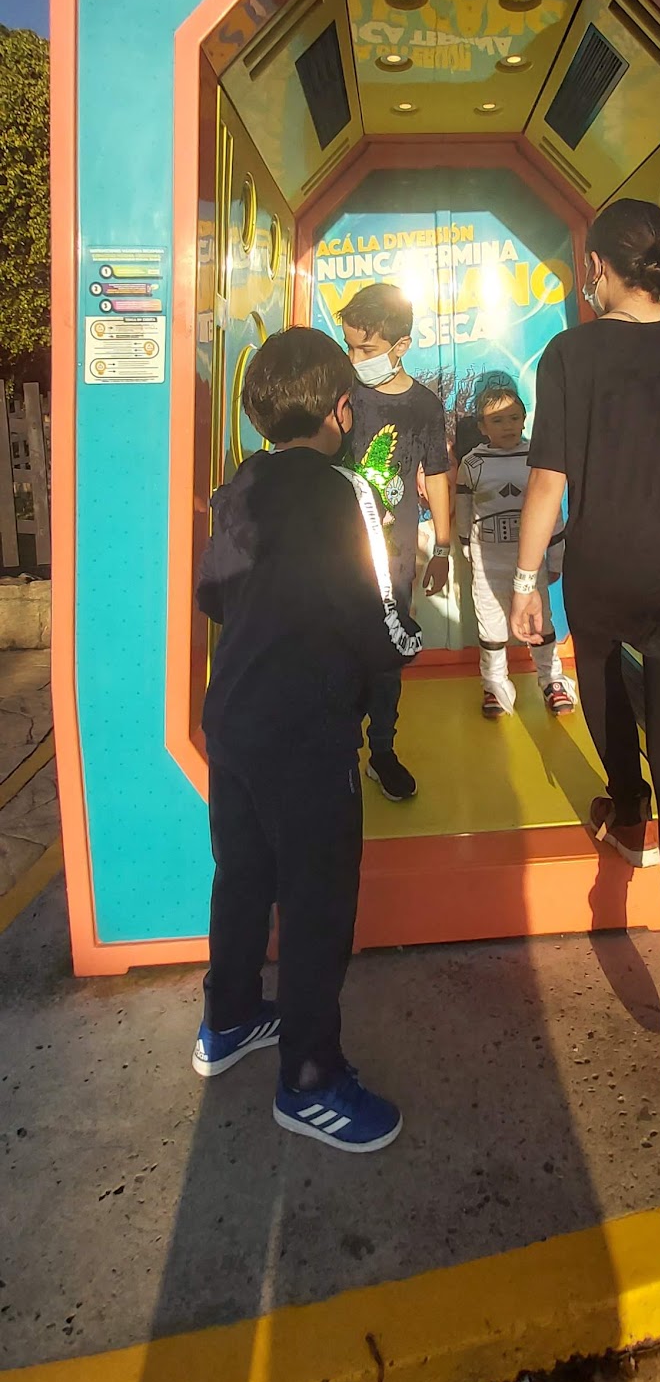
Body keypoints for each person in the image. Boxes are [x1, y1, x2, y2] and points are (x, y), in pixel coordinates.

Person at [511, 199, 660, 1083]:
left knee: (607, 692)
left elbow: (549, 482)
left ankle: (624, 805)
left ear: (599, 269)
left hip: (606, 573)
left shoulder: (571, 354)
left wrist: (525, 582)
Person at [192, 327, 421, 1152]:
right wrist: (404, 647)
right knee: (318, 904)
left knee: (243, 875)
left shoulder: (240, 485)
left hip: (234, 720)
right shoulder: (343, 490)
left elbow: (212, 594)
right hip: (308, 731)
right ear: (341, 408)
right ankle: (311, 1080)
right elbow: (379, 612)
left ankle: (229, 1018)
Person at [339, 283, 450, 802]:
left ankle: (381, 751)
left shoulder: (424, 405)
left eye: (366, 349)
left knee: (387, 656)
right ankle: (337, 750)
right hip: (336, 552)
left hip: (396, 559)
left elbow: (438, 474)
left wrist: (442, 547)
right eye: (349, 346)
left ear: (400, 345)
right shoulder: (342, 392)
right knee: (336, 652)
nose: (354, 359)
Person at [456, 379, 576, 717]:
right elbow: (464, 508)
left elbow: (552, 513)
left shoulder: (538, 458)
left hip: (531, 565)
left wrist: (555, 557)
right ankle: (494, 685)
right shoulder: (472, 464)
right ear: (482, 427)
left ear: (524, 420)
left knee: (540, 622)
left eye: (513, 418)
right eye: (497, 420)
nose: (507, 426)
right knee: (491, 627)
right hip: (488, 564)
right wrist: (467, 547)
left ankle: (551, 679)